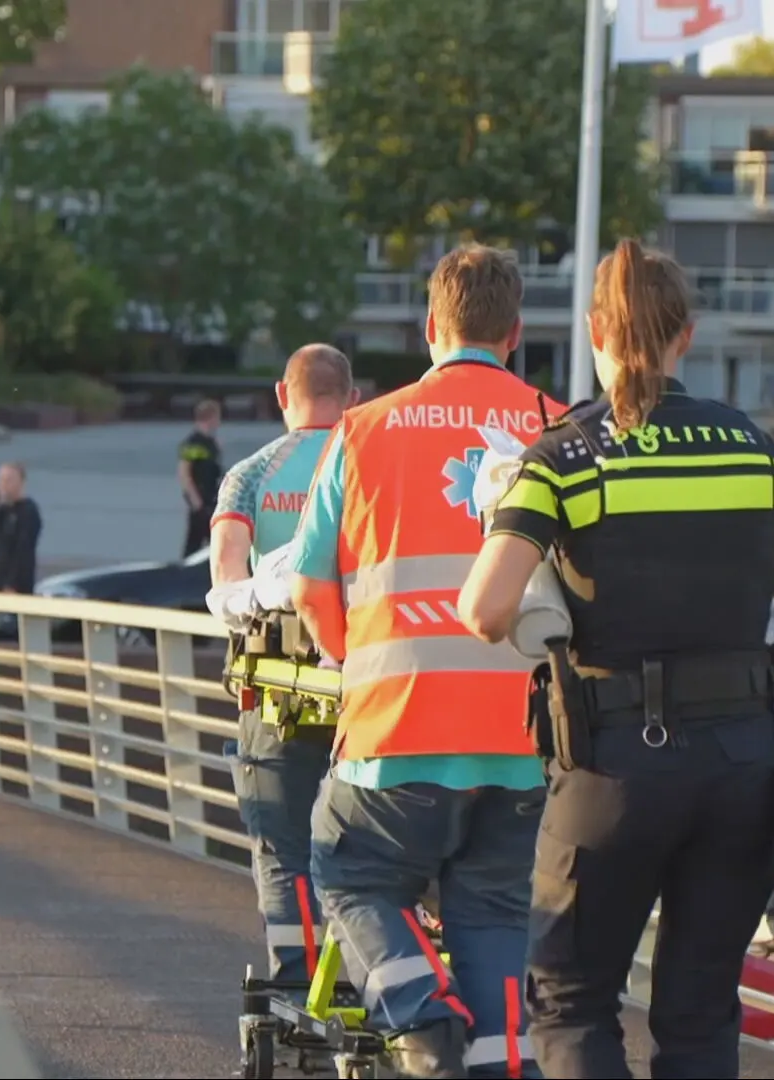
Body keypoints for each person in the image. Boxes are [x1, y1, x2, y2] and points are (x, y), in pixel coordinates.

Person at [455, 239, 774, 1079]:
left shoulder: (562, 456)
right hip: (748, 767)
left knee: (572, 997)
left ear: (596, 330)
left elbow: (485, 610)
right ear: (688, 334)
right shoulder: (759, 452)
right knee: (702, 1006)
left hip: (614, 769)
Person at [287, 244, 549, 1079]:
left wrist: (352, 656)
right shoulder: (559, 425)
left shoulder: (363, 430)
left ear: (431, 327)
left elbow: (307, 588)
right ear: (514, 333)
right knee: (497, 915)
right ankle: (503, 1059)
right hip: (523, 745)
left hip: (394, 734)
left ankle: (417, 1012)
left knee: (347, 870)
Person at [210, 343, 360, 982]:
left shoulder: (250, 474)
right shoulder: (369, 463)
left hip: (278, 693)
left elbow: (225, 581)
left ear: (282, 395)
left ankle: (295, 975)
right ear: (352, 398)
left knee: (282, 846)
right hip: (367, 685)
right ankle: (363, 971)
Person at [0, 462, 42, 594]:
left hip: (16, 588)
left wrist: (12, 584)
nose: (4, 485)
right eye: (1, 480)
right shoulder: (0, 510)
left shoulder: (28, 511)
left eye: (9, 480)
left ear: (21, 482)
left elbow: (23, 550)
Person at [178, 399, 223, 557]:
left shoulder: (211, 442)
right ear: (210, 418)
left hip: (212, 500)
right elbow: (185, 473)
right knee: (195, 546)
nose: (219, 422)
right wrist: (196, 503)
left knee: (213, 543)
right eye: (217, 417)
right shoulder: (192, 443)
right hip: (200, 502)